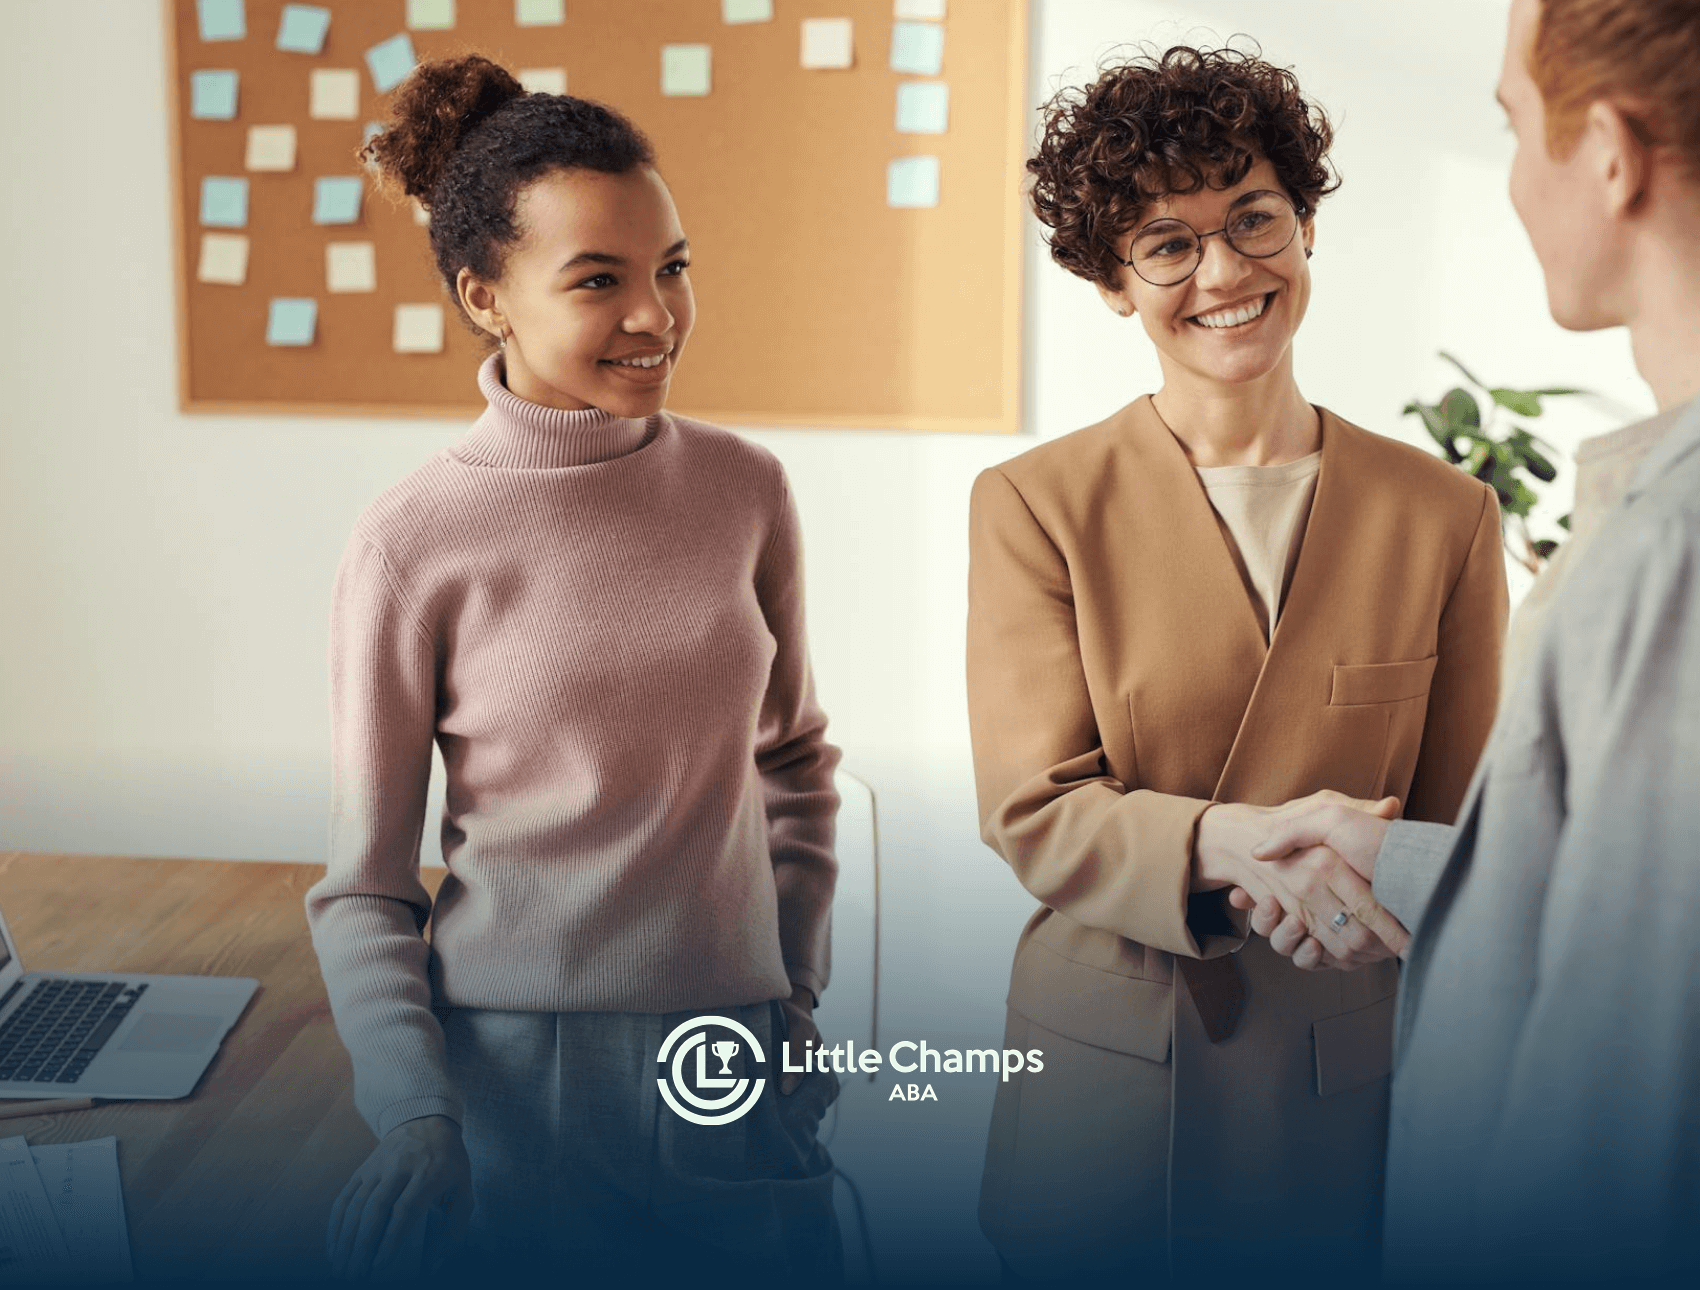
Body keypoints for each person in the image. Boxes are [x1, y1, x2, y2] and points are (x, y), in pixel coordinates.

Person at [965, 45, 1508, 1280]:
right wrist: (1230, 843)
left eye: (1250, 218)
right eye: (1164, 242)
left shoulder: (1445, 516)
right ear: (1110, 280)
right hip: (1101, 1094)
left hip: (1333, 1087)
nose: (1221, 272)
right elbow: (1030, 811)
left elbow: (1459, 838)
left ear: (1303, 223)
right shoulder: (1034, 506)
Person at [304, 55, 843, 1282]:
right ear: (487, 297)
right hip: (511, 1088)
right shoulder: (411, 541)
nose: (654, 314)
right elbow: (366, 889)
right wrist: (413, 1114)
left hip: (734, 1047)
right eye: (598, 280)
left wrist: (795, 1006)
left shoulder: (742, 488)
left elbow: (794, 765)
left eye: (672, 268)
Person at [1243, 0, 1700, 1279]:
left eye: (1512, 124)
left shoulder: (1666, 556)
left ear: (1607, 154)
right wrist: (1399, 865)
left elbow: (1619, 1092)